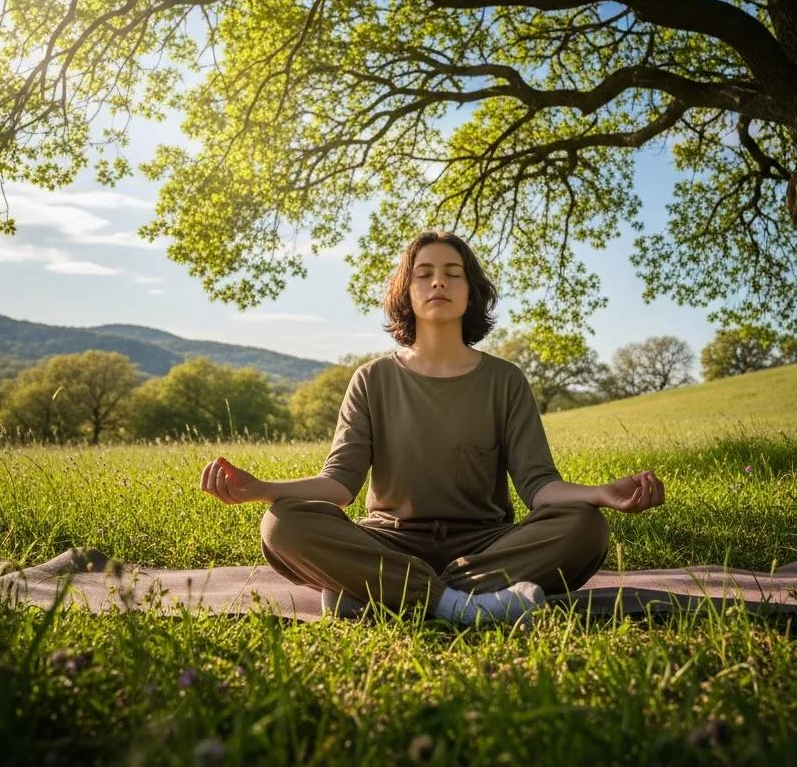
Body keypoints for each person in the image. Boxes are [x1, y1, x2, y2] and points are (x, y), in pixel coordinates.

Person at [200, 230, 665, 626]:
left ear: (471, 291)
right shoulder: (372, 378)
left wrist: (601, 493)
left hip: (487, 545)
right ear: (407, 291)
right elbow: (338, 485)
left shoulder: (506, 380)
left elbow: (539, 486)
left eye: (452, 272)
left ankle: (376, 593)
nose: (438, 281)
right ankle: (463, 606)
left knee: (584, 526)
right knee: (282, 523)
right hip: (388, 540)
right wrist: (263, 488)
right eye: (424, 273)